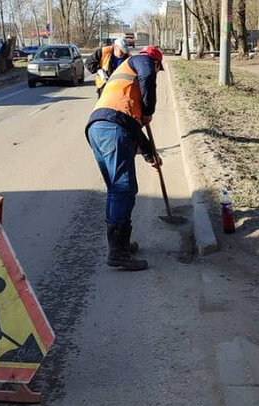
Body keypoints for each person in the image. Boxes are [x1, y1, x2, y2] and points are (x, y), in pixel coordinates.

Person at [85, 46, 165, 271]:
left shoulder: (124, 78)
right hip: (112, 128)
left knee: (115, 189)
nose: (156, 73)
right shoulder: (142, 61)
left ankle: (120, 246)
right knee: (123, 189)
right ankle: (118, 253)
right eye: (158, 69)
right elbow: (148, 76)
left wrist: (150, 154)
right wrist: (149, 109)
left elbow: (130, 126)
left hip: (98, 127)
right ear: (156, 62)